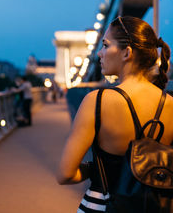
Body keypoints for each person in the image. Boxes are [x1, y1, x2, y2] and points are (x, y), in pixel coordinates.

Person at [56, 16, 173, 212]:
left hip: (104, 204)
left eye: (105, 45)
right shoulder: (170, 105)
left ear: (127, 53)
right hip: (155, 206)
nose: (99, 54)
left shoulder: (97, 100)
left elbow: (65, 174)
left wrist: (96, 168)